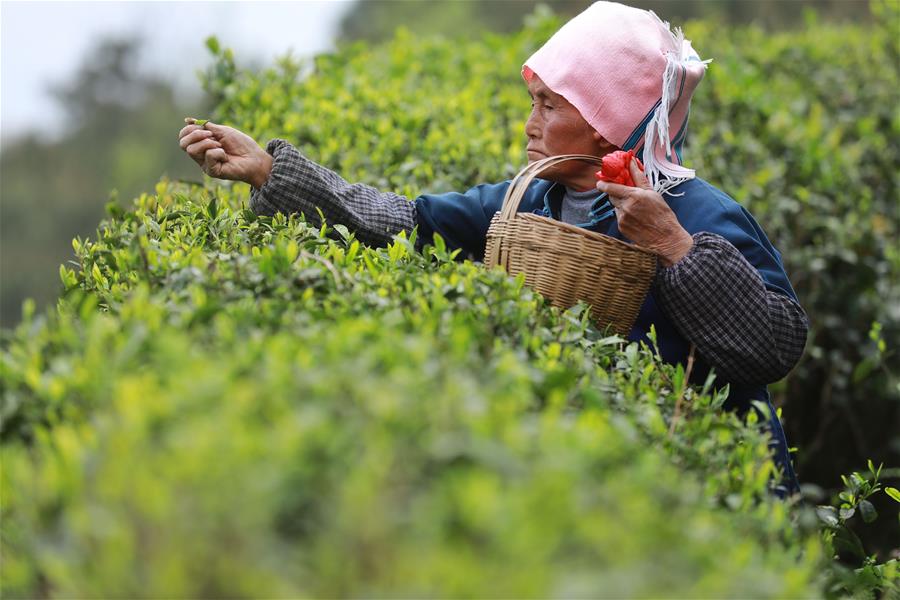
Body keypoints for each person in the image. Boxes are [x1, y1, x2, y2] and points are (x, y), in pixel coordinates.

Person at [178, 1, 808, 494]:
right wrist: (270, 172)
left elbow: (776, 344)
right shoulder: (528, 201)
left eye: (548, 105)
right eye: (531, 103)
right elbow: (411, 224)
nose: (530, 124)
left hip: (713, 484)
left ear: (604, 120)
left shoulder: (700, 213)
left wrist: (674, 246)